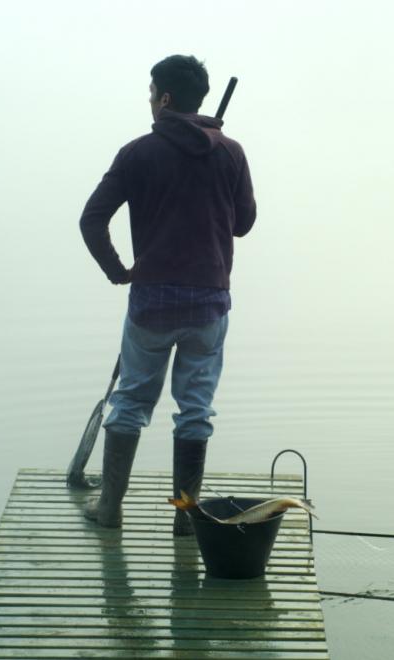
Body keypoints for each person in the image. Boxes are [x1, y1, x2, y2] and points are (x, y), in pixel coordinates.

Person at [77, 55, 257, 536]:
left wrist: (119, 272)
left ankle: (110, 509)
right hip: (209, 304)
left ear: (166, 99)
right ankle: (186, 516)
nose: (149, 98)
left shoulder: (138, 153)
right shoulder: (231, 152)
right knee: (195, 410)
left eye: (150, 90)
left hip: (152, 302)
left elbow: (91, 220)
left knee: (132, 401)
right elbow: (242, 223)